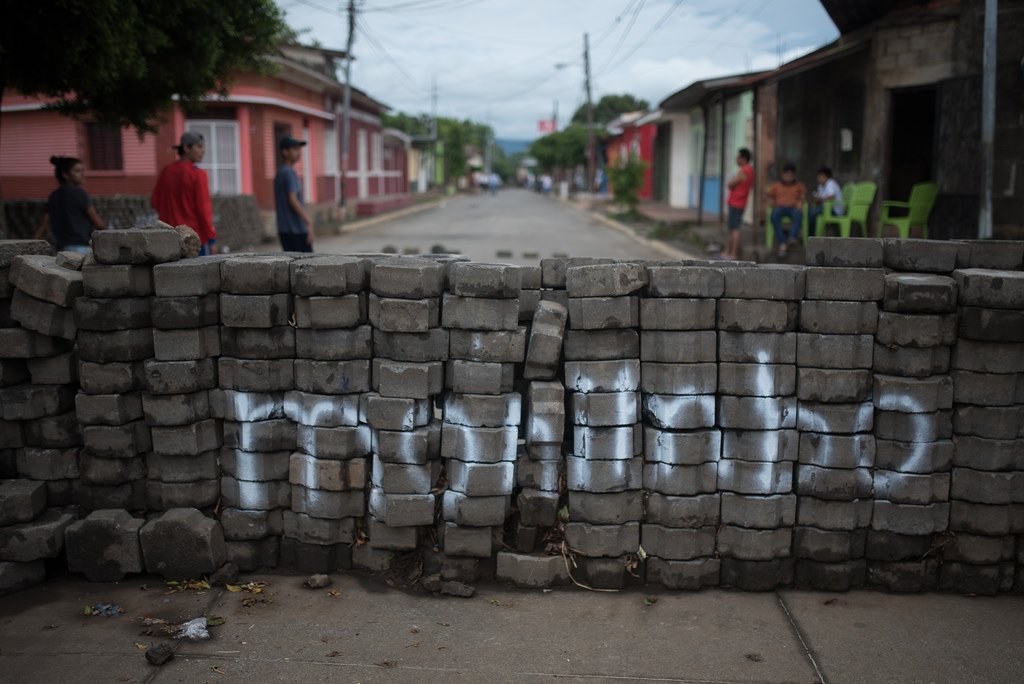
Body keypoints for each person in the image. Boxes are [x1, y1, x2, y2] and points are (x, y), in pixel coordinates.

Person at [151, 131, 216, 255]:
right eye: (199, 147)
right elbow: (204, 210)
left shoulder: (166, 172)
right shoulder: (198, 174)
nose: (203, 151)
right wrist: (211, 239)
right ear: (186, 148)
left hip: (168, 239)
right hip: (193, 240)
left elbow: (155, 202)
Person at [33, 156, 105, 252]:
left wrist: (30, 245)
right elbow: (99, 224)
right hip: (82, 248)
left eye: (82, 171)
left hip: (63, 250)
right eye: (77, 171)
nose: (83, 174)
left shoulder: (53, 196)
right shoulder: (80, 193)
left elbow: (43, 225)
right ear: (65, 175)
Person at [274, 136, 314, 252]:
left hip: (284, 230)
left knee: (291, 267)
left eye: (299, 149)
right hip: (297, 229)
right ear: (285, 152)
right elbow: (293, 200)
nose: (299, 152)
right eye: (295, 149)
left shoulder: (280, 172)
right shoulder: (289, 173)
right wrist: (308, 221)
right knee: (307, 266)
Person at [766, 163, 807, 257]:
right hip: (780, 208)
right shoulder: (776, 185)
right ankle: (783, 241)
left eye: (791, 175)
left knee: (799, 214)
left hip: (793, 208)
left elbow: (803, 196)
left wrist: (800, 202)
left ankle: (791, 237)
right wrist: (771, 201)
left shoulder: (799, 185)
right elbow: (769, 196)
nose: (788, 177)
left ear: (794, 176)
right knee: (773, 215)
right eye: (786, 175)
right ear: (782, 175)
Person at [722, 148, 754, 260]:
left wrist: (731, 181)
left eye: (738, 157)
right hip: (740, 202)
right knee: (732, 227)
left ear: (743, 158)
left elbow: (730, 184)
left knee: (734, 228)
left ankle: (732, 253)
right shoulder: (749, 170)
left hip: (736, 202)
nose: (736, 159)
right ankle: (728, 252)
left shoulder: (744, 170)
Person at [808, 166, 845, 233]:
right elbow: (821, 199)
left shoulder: (830, 183)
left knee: (812, 213)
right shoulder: (821, 186)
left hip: (835, 210)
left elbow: (831, 197)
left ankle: (811, 236)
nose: (818, 178)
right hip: (826, 209)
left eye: (820, 176)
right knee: (810, 211)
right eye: (818, 177)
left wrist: (820, 200)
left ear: (826, 176)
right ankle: (812, 235)